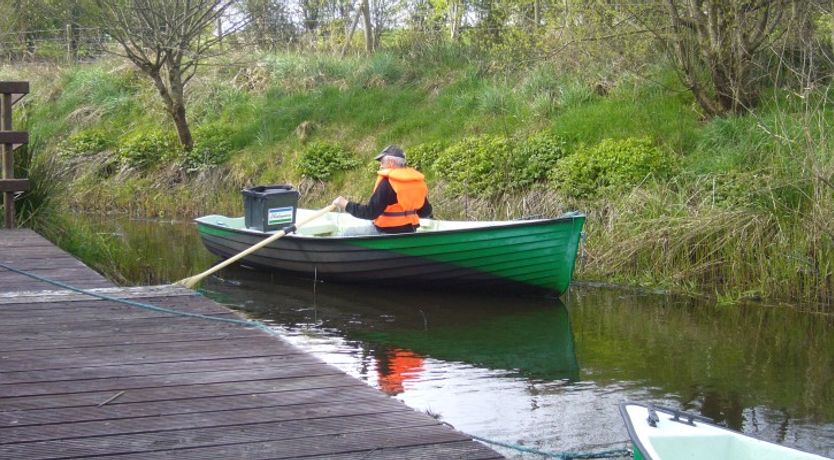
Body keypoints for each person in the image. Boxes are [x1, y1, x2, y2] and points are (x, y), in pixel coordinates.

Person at [332, 145, 432, 235]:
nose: (381, 165)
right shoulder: (415, 182)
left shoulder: (387, 182)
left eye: (382, 162)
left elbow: (370, 213)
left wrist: (345, 204)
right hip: (410, 231)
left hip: (386, 232)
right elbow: (425, 212)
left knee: (348, 233)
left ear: (391, 162)